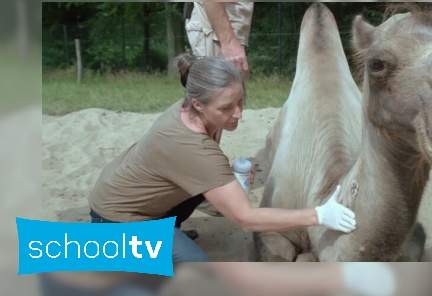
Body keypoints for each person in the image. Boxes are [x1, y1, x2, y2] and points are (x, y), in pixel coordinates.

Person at [87, 53, 356, 262]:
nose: (238, 113)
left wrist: (227, 178)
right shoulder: (193, 147)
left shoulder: (193, 113)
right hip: (115, 222)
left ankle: (169, 230)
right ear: (197, 104)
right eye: (226, 107)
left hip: (125, 191)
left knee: (214, 181)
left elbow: (202, 169)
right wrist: (319, 215)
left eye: (240, 101)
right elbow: (245, 219)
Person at [185, 1, 254, 217]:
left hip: (220, 28)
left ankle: (199, 190)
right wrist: (228, 40)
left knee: (216, 117)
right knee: (209, 115)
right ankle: (202, 193)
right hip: (216, 30)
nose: (239, 114)